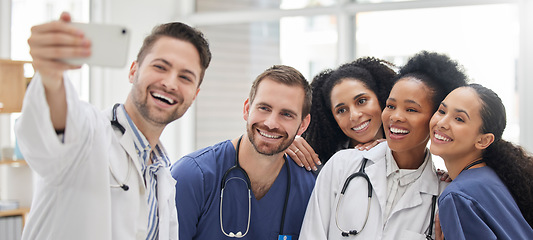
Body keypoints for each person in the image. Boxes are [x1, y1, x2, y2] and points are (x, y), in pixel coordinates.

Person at [15, 12, 211, 240]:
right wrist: (50, 77)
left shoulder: (162, 174)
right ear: (133, 71)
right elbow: (55, 126)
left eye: (185, 77)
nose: (170, 83)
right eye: (160, 67)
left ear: (195, 95)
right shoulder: (90, 133)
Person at [299, 51, 467, 239]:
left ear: (436, 118)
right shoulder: (340, 165)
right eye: (391, 106)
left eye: (411, 109)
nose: (395, 116)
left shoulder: (444, 194)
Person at [170, 65, 316, 240]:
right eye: (264, 108)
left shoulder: (310, 186)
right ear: (247, 109)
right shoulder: (193, 177)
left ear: (303, 124)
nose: (271, 123)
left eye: (286, 114)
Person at [430, 84, 533, 239]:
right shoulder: (493, 177)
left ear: (484, 140)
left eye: (459, 119)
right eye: (442, 111)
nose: (442, 123)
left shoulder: (458, 196)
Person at [287, 57, 396, 172]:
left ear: (381, 98)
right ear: (332, 118)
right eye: (341, 110)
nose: (354, 115)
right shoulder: (322, 163)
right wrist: (285, 145)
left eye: (361, 101)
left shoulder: (410, 152)